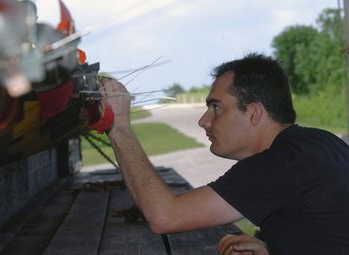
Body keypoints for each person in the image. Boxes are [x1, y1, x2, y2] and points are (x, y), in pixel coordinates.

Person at [98, 53, 349, 255]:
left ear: (253, 113)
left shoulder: (282, 163)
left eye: (216, 107)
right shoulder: (318, 142)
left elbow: (166, 217)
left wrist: (119, 127)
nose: (203, 121)